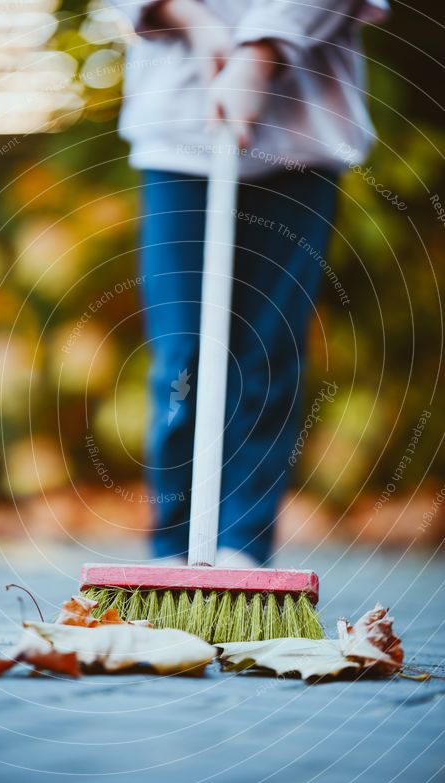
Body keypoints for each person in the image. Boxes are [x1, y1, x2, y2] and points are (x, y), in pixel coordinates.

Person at [109, 0, 389, 567]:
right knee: (181, 360)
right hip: (177, 133)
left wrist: (261, 53)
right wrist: (193, 20)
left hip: (304, 138)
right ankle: (173, 548)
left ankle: (242, 548)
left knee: (268, 351)